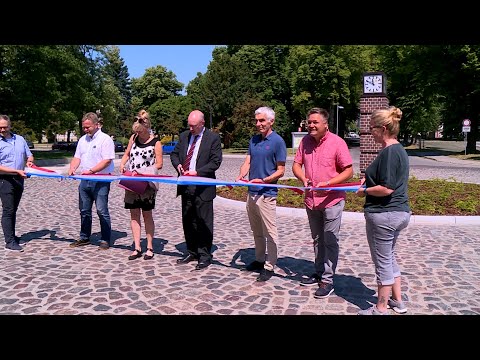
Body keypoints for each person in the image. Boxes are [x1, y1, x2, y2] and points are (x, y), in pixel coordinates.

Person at [292, 107, 353, 298]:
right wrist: (303, 179)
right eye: (309, 122)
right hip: (311, 200)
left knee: (330, 239)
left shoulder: (337, 143)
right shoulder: (305, 142)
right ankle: (318, 272)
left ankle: (327, 280)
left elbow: (348, 171)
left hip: (331, 200)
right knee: (317, 239)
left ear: (325, 124)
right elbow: (296, 164)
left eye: (315, 122)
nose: (310, 125)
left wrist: (329, 183)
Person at [356, 106, 410, 315]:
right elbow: (389, 179)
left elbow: (386, 188)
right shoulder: (399, 149)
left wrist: (365, 191)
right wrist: (368, 180)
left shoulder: (389, 151)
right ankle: (397, 301)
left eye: (373, 128)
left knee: (383, 261)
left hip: (385, 214)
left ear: (385, 127)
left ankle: (380, 308)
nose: (371, 132)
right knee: (389, 257)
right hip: (398, 213)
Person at [236, 106, 287, 282]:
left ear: (271, 121)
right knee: (256, 230)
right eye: (256, 121)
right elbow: (247, 161)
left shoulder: (278, 141)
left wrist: (264, 181)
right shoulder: (254, 140)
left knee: (270, 232)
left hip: (267, 193)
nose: (258, 124)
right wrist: (242, 174)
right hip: (252, 193)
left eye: (262, 120)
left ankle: (270, 265)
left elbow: (281, 170)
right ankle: (259, 259)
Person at [171, 110, 222, 270]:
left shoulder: (212, 138)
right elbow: (174, 154)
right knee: (188, 219)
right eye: (189, 125)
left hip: (203, 186)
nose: (191, 128)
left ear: (202, 124)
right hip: (186, 184)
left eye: (194, 126)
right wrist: (178, 164)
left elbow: (215, 162)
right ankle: (191, 251)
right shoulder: (185, 136)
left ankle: (204, 255)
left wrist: (197, 172)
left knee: (203, 221)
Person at [68, 112, 115, 250]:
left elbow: (107, 160)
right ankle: (84, 237)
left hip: (101, 180)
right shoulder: (83, 140)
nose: (85, 129)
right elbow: (77, 157)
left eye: (88, 127)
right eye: (84, 127)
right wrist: (72, 167)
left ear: (96, 124)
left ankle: (105, 239)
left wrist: (92, 171)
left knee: (101, 210)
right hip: (85, 180)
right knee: (84, 210)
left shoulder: (105, 140)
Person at [119, 110, 163, 261]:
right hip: (132, 181)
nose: (138, 134)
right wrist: (123, 164)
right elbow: (126, 154)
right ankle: (137, 246)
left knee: (147, 214)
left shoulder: (155, 142)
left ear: (146, 128)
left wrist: (144, 171)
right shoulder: (133, 138)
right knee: (134, 214)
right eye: (137, 132)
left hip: (147, 183)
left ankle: (149, 247)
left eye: (141, 131)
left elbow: (159, 164)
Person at [0, 115, 35, 252]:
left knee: (13, 209)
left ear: (10, 126)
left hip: (19, 179)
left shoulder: (20, 139)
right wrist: (16, 171)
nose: (2, 130)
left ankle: (12, 235)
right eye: (0, 127)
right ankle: (9, 241)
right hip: (4, 179)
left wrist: (30, 161)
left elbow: (29, 154)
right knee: (8, 210)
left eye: (5, 127)